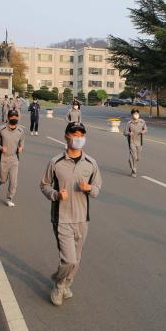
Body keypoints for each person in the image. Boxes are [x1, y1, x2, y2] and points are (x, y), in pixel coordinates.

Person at [40, 122, 102, 306]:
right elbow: (44, 185)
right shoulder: (56, 162)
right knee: (69, 259)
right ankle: (59, 284)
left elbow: (97, 188)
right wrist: (56, 195)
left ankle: (66, 282)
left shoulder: (91, 163)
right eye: (74, 134)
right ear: (66, 136)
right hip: (62, 217)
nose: (78, 138)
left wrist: (89, 188)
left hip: (82, 218)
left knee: (77, 261)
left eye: (81, 134)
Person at [0, 110, 26, 207]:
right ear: (8, 117)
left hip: (14, 158)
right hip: (3, 158)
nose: (14, 118)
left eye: (16, 117)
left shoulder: (20, 130)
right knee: (3, 179)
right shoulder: (1, 129)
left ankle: (9, 198)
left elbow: (22, 140)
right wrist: (1, 148)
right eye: (12, 117)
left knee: (13, 181)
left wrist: (21, 147)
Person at [124, 108, 148, 177]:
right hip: (131, 142)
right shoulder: (129, 123)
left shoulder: (142, 122)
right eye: (134, 114)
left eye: (137, 114)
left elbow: (146, 129)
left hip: (140, 142)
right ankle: (134, 170)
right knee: (134, 156)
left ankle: (130, 161)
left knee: (138, 158)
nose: (136, 115)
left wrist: (143, 131)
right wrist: (129, 133)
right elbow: (124, 133)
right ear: (132, 115)